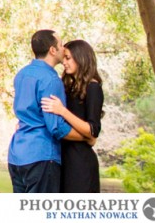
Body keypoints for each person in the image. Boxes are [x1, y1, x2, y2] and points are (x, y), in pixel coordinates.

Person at [7, 29, 93, 192]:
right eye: (60, 45)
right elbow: (56, 127)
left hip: (16, 155)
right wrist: (86, 137)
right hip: (41, 157)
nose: (63, 49)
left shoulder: (22, 74)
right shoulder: (51, 80)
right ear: (53, 50)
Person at [41, 39, 104, 193]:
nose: (64, 62)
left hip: (80, 164)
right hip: (61, 159)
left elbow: (93, 131)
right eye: (64, 58)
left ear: (81, 58)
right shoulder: (67, 86)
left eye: (68, 58)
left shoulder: (93, 87)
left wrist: (62, 111)